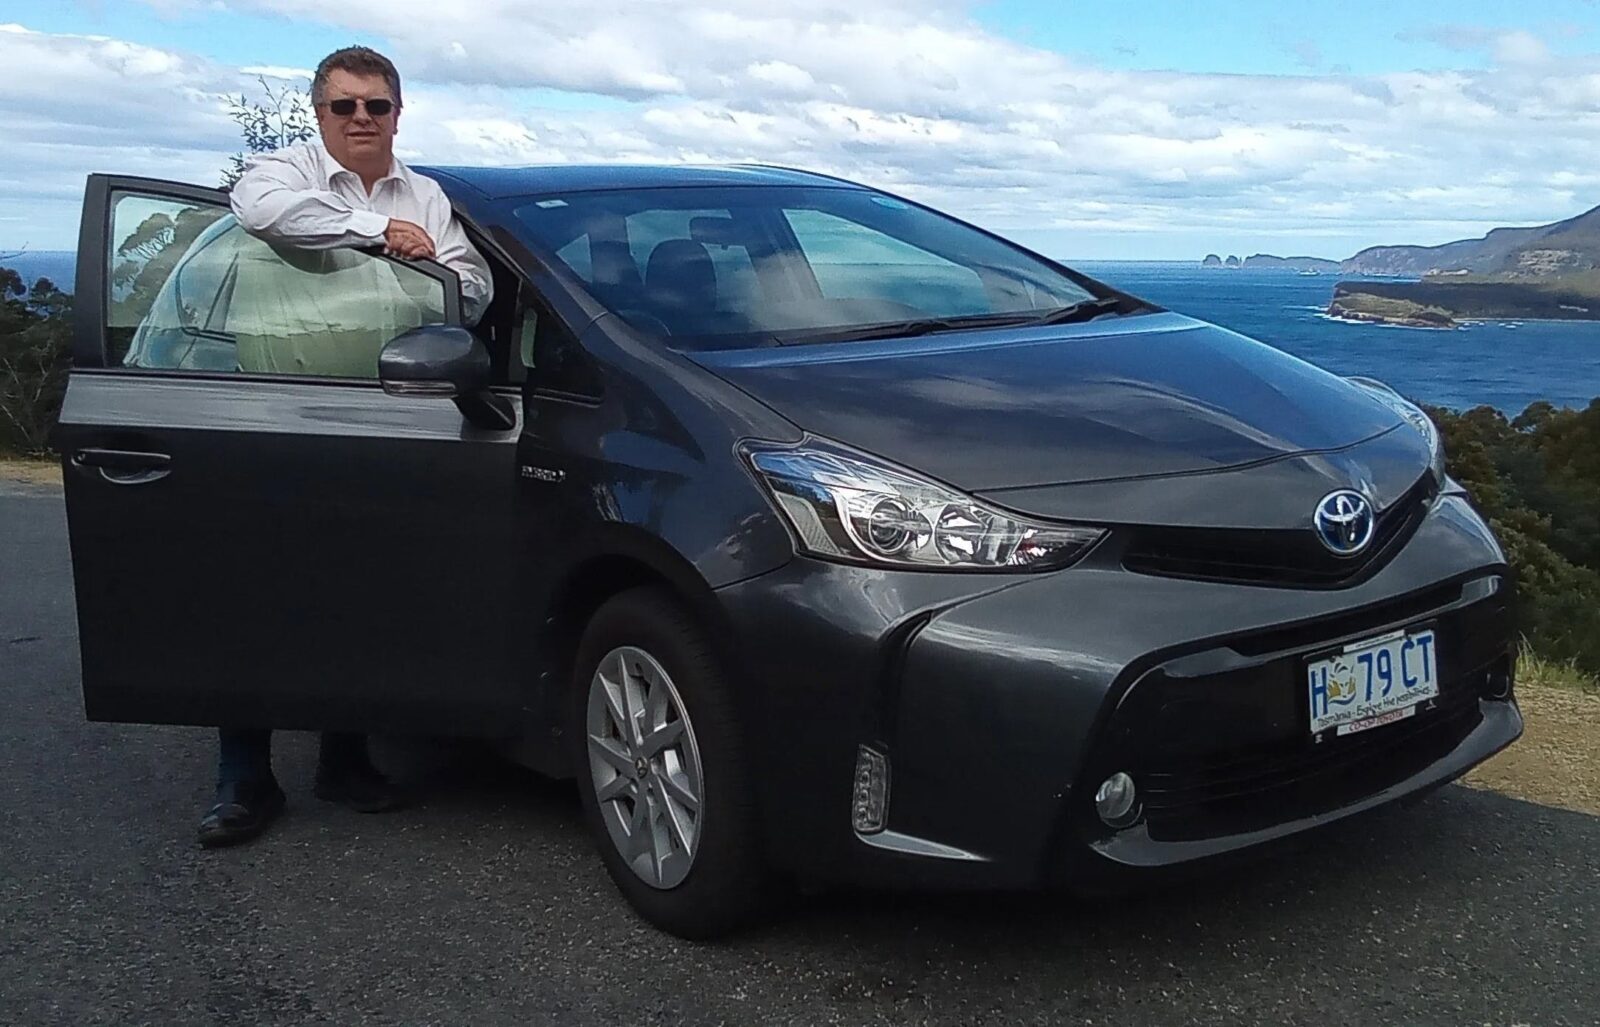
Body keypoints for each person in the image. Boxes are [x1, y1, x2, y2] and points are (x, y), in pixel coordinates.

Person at [198, 45, 494, 848]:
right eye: (344, 106)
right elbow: (265, 215)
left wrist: (439, 267)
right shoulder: (278, 173)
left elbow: (471, 286)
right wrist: (376, 231)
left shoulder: (426, 195)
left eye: (377, 106)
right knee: (257, 596)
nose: (361, 119)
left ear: (400, 113)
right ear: (317, 112)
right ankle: (243, 778)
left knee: (361, 588)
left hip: (384, 406)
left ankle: (345, 758)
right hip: (275, 408)